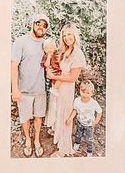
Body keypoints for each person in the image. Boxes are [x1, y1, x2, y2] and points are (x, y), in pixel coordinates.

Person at [10, 14, 50, 157]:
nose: (41, 27)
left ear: (46, 30)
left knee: (39, 117)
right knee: (25, 117)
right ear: (33, 24)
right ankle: (28, 139)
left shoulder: (46, 44)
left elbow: (49, 65)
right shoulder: (21, 42)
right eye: (39, 23)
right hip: (24, 90)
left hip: (40, 90)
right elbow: (14, 65)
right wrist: (15, 88)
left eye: (45, 25)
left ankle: (37, 140)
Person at [47, 23, 88, 157]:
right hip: (58, 88)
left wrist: (54, 76)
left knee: (65, 116)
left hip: (66, 90)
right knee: (58, 113)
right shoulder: (65, 51)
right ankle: (58, 137)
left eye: (69, 34)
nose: (66, 38)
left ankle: (64, 149)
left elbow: (72, 77)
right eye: (64, 35)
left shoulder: (78, 54)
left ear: (75, 35)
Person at [67, 79, 103, 156]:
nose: (85, 94)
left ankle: (89, 151)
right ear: (79, 90)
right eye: (83, 92)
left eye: (88, 93)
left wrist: (95, 121)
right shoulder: (77, 100)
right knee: (78, 134)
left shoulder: (93, 103)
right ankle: (77, 143)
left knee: (89, 139)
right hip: (80, 122)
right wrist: (70, 118)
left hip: (89, 125)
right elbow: (75, 110)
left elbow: (99, 112)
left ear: (92, 93)